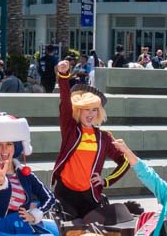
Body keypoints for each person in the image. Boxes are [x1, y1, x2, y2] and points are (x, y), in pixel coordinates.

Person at [51, 58, 128, 221]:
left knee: (92, 235)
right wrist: (63, 75)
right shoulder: (70, 130)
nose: (90, 113)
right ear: (78, 110)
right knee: (68, 230)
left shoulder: (104, 138)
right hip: (65, 195)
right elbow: (65, 103)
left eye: (94, 109)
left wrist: (106, 181)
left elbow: (126, 161)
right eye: (86, 109)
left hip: (90, 197)